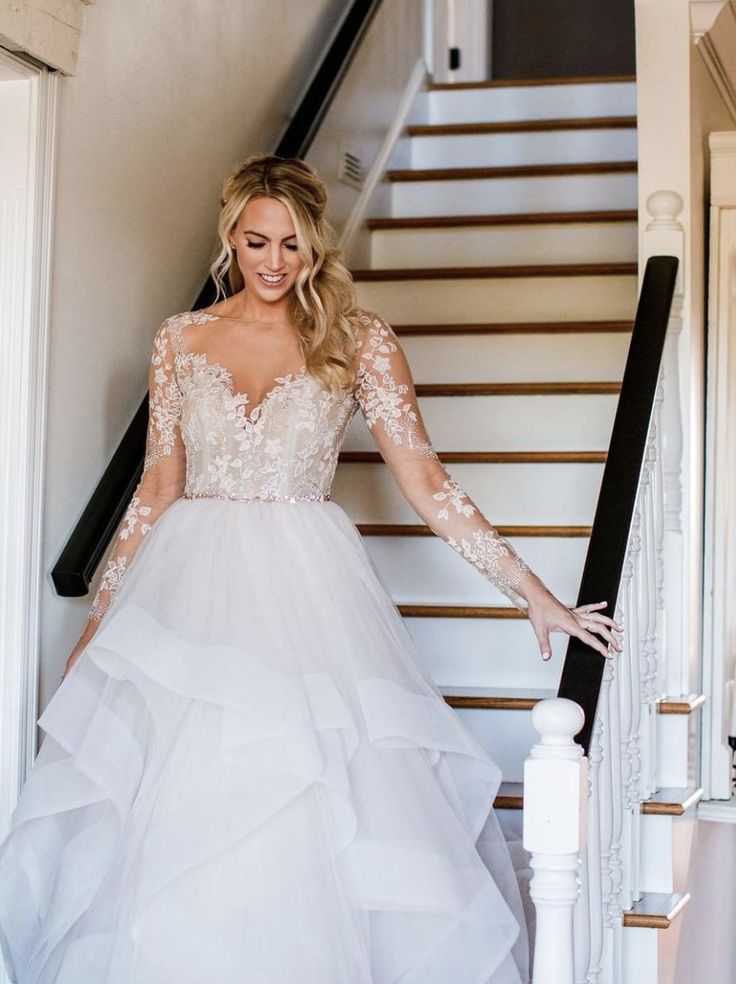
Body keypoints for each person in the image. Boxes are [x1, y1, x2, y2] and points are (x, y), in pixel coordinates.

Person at [0, 155, 618, 984]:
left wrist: (533, 594)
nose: (273, 261)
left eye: (291, 244)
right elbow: (156, 487)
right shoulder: (181, 338)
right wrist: (100, 622)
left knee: (307, 795)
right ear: (231, 236)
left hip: (308, 591)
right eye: (256, 241)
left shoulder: (358, 340)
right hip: (187, 589)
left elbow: (428, 483)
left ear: (316, 245)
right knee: (182, 806)